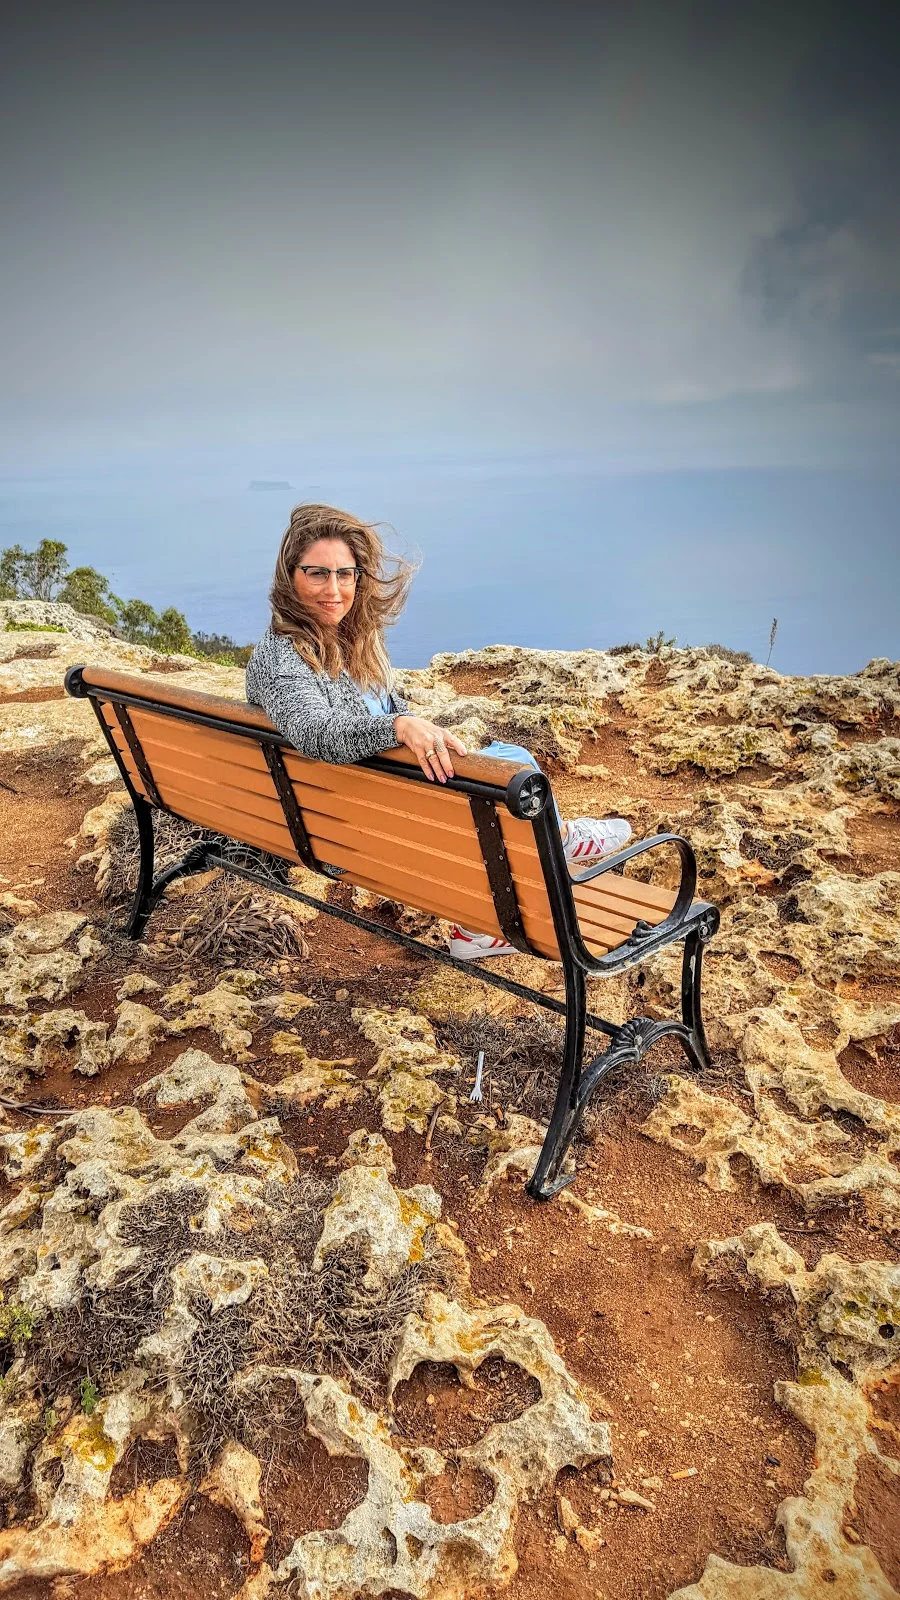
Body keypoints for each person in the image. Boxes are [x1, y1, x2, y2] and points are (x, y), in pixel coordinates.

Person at [246, 504, 631, 959]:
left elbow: (385, 709)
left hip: (347, 808)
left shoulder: (349, 640)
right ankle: (545, 858)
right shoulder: (283, 655)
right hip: (362, 820)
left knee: (505, 760)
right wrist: (398, 725)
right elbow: (317, 733)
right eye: (317, 574)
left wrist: (407, 725)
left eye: (345, 574)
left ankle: (547, 851)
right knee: (511, 778)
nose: (334, 589)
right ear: (289, 576)